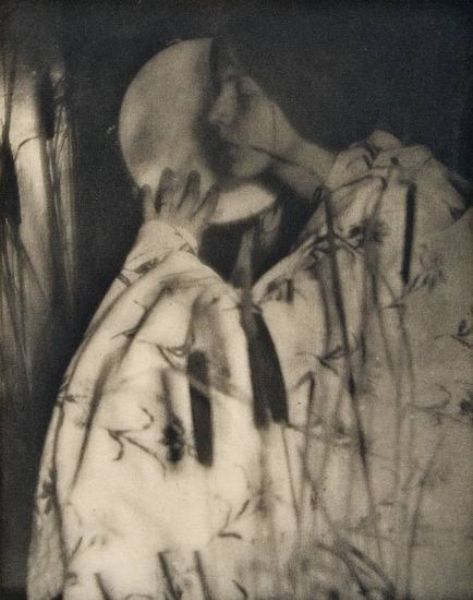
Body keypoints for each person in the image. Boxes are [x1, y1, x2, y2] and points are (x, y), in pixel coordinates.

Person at [28, 6, 473, 600]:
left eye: (240, 90)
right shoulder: (354, 203)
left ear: (300, 89)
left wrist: (163, 253)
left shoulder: (396, 201)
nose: (214, 114)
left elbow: (252, 377)